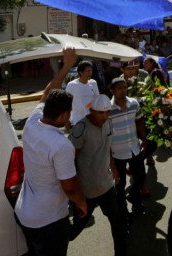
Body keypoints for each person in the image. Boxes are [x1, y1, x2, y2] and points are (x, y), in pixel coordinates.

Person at [14, 48, 88, 256]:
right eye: (69, 113)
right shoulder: (61, 145)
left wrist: (66, 66)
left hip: (25, 214)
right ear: (64, 115)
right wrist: (82, 203)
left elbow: (47, 92)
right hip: (48, 221)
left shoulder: (33, 121)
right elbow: (70, 188)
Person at [68, 94, 127, 256]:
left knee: (118, 224)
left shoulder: (108, 123)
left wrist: (113, 168)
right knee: (73, 231)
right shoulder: (81, 128)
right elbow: (69, 159)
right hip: (86, 190)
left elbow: (107, 146)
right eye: (101, 113)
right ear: (91, 111)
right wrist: (74, 191)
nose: (105, 116)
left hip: (106, 186)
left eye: (107, 112)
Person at [109, 77, 147, 221]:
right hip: (117, 152)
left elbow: (139, 122)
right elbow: (105, 134)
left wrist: (144, 140)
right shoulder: (108, 109)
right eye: (119, 88)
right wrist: (110, 161)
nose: (123, 90)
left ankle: (135, 200)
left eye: (124, 87)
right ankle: (123, 211)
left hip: (134, 149)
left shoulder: (134, 103)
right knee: (120, 184)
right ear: (112, 91)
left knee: (141, 177)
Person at [65, 61, 99, 127]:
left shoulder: (93, 83)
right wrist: (67, 120)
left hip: (91, 120)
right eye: (88, 71)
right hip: (76, 121)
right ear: (81, 72)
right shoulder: (71, 85)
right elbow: (66, 103)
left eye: (91, 71)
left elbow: (97, 99)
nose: (90, 73)